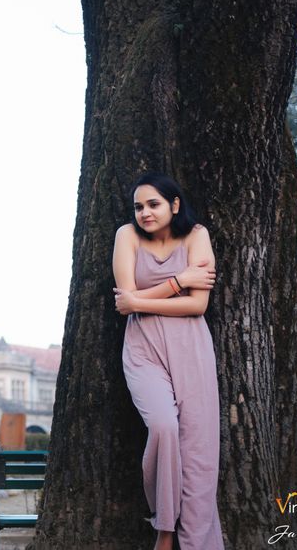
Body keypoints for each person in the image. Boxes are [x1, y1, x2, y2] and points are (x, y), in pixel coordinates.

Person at [111, 173, 223, 550]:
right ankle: (164, 526)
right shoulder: (126, 235)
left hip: (191, 348)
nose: (144, 213)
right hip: (143, 349)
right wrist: (180, 280)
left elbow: (197, 304)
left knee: (199, 449)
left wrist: (139, 301)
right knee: (163, 427)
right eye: (139, 206)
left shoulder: (197, 235)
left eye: (153, 204)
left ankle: (194, 541)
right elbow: (127, 298)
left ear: (174, 205)